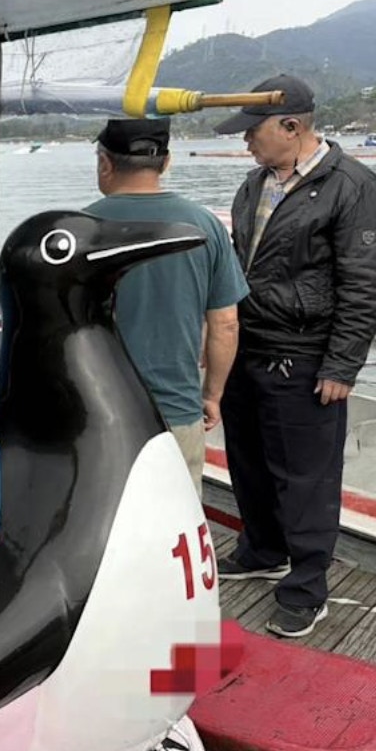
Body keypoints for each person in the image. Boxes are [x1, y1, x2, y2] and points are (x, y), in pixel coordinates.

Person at [212, 74, 376, 638]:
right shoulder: (253, 184)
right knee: (247, 460)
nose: (246, 141)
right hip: (247, 346)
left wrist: (342, 365)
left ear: (291, 126)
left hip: (304, 352)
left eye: (253, 130)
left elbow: (363, 284)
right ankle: (263, 550)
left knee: (306, 477)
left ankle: (308, 586)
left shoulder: (353, 187)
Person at [85, 117, 248, 496]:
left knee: (102, 514)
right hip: (177, 408)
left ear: (105, 162)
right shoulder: (203, 225)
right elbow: (226, 324)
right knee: (178, 513)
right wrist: (212, 395)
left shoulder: (80, 228)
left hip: (97, 412)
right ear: (167, 162)